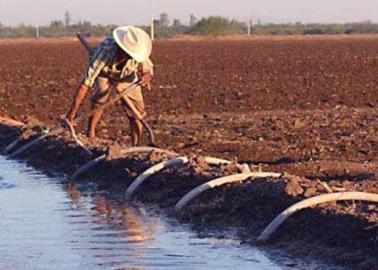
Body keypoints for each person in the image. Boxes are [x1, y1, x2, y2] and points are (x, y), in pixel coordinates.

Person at [65, 26, 153, 146]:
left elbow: (147, 69)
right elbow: (85, 84)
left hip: (127, 75)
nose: (130, 57)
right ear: (121, 48)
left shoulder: (138, 51)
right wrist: (72, 113)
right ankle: (91, 134)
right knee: (99, 100)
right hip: (104, 72)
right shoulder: (104, 52)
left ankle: (136, 145)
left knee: (136, 111)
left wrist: (147, 75)